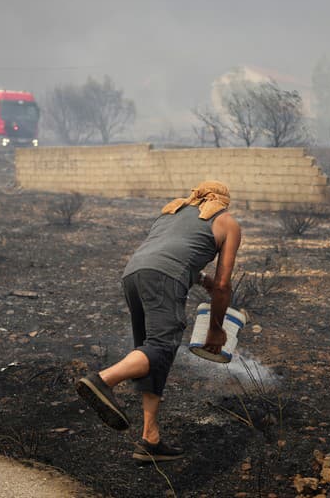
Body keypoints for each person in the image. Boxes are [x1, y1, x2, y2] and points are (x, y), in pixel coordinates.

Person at [76, 180, 242, 462]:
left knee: (152, 355)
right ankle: (103, 381)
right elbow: (224, 286)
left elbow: (168, 250)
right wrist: (216, 329)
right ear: (224, 203)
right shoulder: (228, 223)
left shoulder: (173, 211)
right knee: (163, 346)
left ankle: (150, 439)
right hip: (164, 279)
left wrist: (201, 279)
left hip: (133, 274)